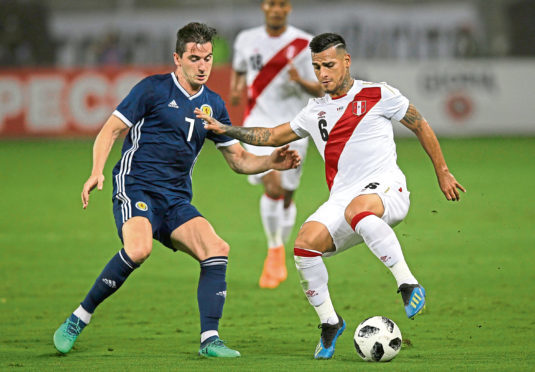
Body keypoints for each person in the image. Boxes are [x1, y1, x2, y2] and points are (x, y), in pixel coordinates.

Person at [197, 32, 466, 360]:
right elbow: (270, 135)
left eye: (329, 65)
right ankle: (330, 322)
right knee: (304, 246)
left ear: (346, 62)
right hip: (343, 199)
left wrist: (443, 171)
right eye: (316, 67)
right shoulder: (314, 111)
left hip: (386, 189)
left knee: (358, 211)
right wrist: (227, 129)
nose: (322, 73)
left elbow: (419, 124)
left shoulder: (378, 94)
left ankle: (408, 284)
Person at [53, 22, 300, 358]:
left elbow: (239, 161)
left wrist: (271, 160)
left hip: (175, 199)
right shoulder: (152, 90)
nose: (203, 65)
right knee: (139, 250)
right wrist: (96, 171)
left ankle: (209, 339)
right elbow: (110, 131)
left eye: (208, 58)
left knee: (217, 248)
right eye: (195, 58)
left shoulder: (213, 104)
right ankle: (78, 318)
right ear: (178, 59)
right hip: (136, 186)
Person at [230, 0, 323, 289]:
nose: (276, 9)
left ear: (288, 8)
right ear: (264, 7)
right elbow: (240, 70)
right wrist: (235, 89)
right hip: (258, 124)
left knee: (287, 196)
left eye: (281, 4)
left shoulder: (305, 43)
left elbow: (321, 87)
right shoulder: (246, 39)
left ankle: (279, 251)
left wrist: (300, 81)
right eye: (272, 4)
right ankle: (274, 250)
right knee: (273, 185)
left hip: (295, 126)